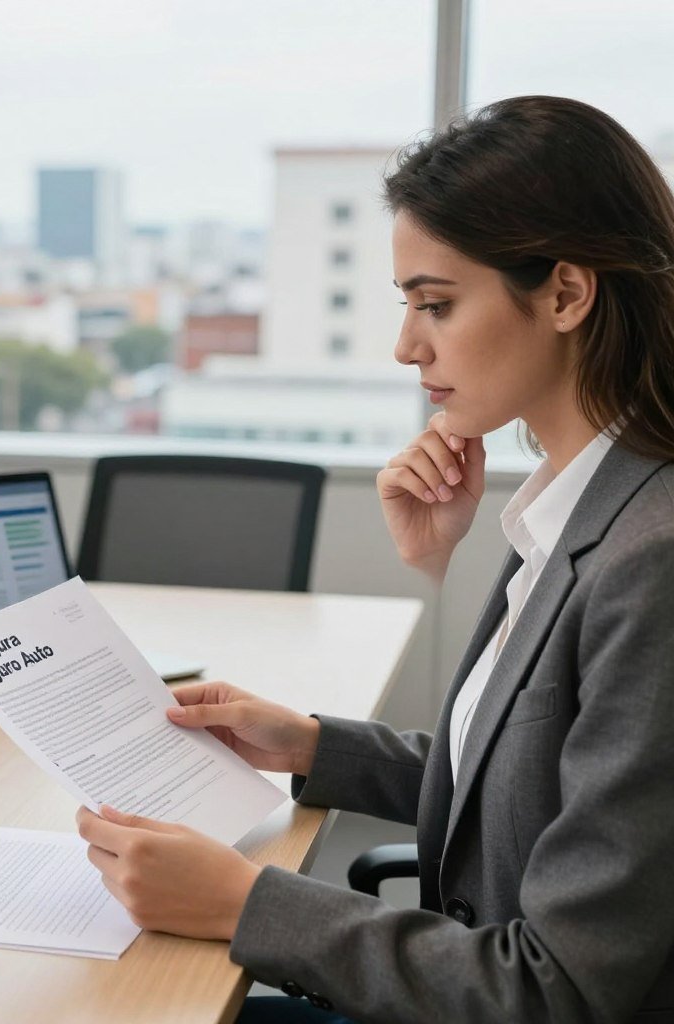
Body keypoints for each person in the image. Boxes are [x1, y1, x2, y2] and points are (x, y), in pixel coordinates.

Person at [77, 95, 674, 1023]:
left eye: (435, 303)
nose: (407, 347)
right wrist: (316, 746)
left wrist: (242, 903)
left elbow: (562, 990)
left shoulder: (652, 558)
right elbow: (533, 775)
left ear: (565, 293)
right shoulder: (581, 503)